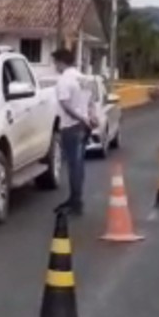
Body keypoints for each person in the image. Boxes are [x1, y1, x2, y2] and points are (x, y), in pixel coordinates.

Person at [51, 47, 97, 216]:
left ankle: (76, 201)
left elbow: (65, 105)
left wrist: (79, 118)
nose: (55, 66)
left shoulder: (64, 80)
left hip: (72, 126)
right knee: (79, 164)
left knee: (73, 165)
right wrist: (90, 117)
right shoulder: (84, 79)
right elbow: (91, 101)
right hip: (84, 127)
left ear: (61, 62)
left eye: (56, 62)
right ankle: (75, 198)